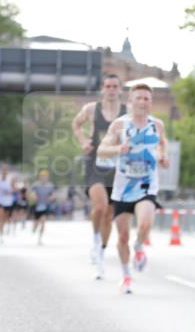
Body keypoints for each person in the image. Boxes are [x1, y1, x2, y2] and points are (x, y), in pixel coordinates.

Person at [97, 82, 169, 293]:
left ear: (151, 103)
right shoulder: (119, 125)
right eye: (138, 98)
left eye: (147, 98)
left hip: (147, 185)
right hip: (123, 188)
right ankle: (126, 276)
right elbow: (102, 150)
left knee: (145, 224)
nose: (143, 102)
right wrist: (120, 148)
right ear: (129, 102)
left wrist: (163, 156)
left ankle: (139, 247)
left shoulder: (157, 125)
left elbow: (162, 143)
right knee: (122, 237)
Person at [72, 74, 127, 277]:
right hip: (95, 164)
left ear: (120, 89)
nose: (111, 89)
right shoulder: (91, 109)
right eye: (108, 86)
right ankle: (95, 239)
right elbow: (76, 124)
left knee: (109, 214)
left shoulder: (126, 112)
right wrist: (83, 141)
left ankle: (101, 249)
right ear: (102, 89)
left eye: (115, 86)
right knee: (100, 206)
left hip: (118, 168)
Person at [30, 169, 56, 244]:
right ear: (40, 177)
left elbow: (53, 194)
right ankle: (34, 227)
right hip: (37, 206)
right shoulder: (36, 185)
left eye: (45, 176)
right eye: (42, 176)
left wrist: (52, 197)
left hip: (45, 206)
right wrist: (33, 196)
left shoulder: (50, 185)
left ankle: (40, 239)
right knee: (36, 223)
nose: (44, 177)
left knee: (43, 222)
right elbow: (31, 193)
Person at [0, 164, 16, 243]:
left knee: (5, 220)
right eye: (2, 170)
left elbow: (14, 188)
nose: (4, 171)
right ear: (1, 171)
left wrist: (11, 191)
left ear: (7, 171)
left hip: (8, 202)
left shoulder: (11, 178)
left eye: (5, 170)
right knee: (0, 217)